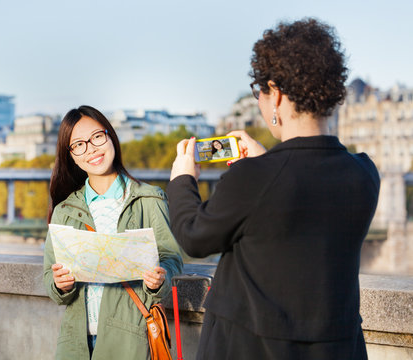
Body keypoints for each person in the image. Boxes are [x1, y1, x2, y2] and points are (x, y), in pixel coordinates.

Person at [166, 18, 379, 360]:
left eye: (259, 93)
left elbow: (194, 236)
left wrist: (182, 180)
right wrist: (267, 162)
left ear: (276, 93)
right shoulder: (364, 174)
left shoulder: (254, 178)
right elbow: (302, 198)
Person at [43, 105, 183, 360]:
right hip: (75, 345)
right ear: (71, 156)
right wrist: (60, 284)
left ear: (111, 137)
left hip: (129, 341)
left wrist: (160, 277)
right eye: (79, 145)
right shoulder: (65, 210)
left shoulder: (149, 199)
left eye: (97, 137)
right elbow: (50, 279)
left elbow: (172, 258)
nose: (92, 149)